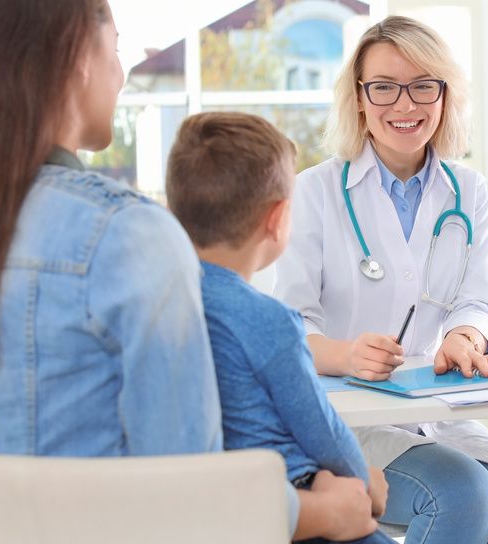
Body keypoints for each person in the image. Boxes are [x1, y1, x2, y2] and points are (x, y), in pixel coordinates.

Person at [0, 0, 377, 544]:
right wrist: (328, 513)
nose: (124, 70)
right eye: (115, 48)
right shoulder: (128, 236)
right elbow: (188, 495)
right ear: (75, 56)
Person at [275, 15, 488, 543]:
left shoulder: (469, 192)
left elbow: (477, 302)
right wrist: (346, 354)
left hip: (433, 411)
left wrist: (463, 336)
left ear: (445, 96)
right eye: (383, 87)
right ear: (359, 98)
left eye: (424, 86)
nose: (405, 105)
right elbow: (290, 327)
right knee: (460, 492)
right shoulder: (314, 193)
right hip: (342, 414)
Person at [165, 111, 394, 544]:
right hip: (297, 504)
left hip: (216, 507)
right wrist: (365, 481)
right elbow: (322, 430)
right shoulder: (269, 321)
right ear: (277, 219)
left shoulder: (158, 304)